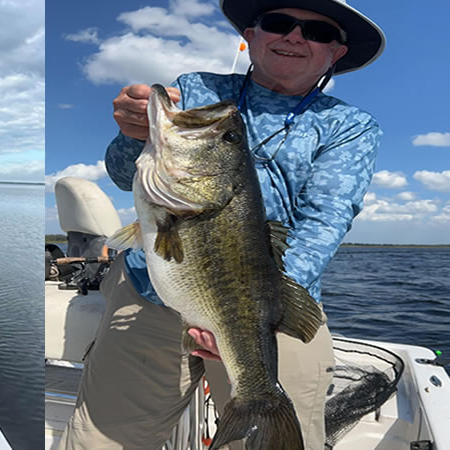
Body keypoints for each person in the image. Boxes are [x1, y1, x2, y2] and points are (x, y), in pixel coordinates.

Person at [60, 0, 384, 449]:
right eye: (279, 23)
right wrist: (132, 133)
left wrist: (248, 319)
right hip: (148, 294)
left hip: (272, 312)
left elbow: (325, 221)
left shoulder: (350, 126)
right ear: (250, 35)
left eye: (318, 32)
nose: (294, 36)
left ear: (336, 53)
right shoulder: (196, 90)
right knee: (102, 440)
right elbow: (120, 173)